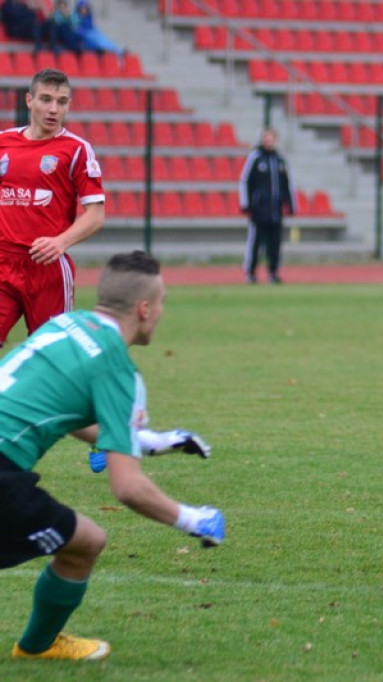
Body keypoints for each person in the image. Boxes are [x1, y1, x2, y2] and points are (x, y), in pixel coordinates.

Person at [1, 250, 225, 661]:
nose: (161, 312)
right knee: (86, 542)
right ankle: (38, 646)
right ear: (144, 309)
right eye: (162, 303)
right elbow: (128, 488)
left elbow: (61, 412)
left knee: (80, 539)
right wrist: (194, 519)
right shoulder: (118, 367)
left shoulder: (66, 324)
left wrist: (149, 441)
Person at [0, 68, 105, 349]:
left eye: (62, 102)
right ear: (29, 100)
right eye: (46, 99)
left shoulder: (76, 149)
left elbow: (96, 215)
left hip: (47, 269)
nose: (53, 109)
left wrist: (60, 242)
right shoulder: (4, 142)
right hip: (3, 264)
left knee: (52, 354)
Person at [239, 127, 295, 285]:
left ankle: (273, 272)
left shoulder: (280, 160)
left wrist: (290, 203)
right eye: (266, 138)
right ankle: (250, 272)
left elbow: (288, 183)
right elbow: (245, 181)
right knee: (256, 242)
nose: (268, 141)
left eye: (271, 138)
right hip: (259, 210)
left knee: (275, 243)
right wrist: (246, 204)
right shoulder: (255, 158)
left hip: (276, 210)